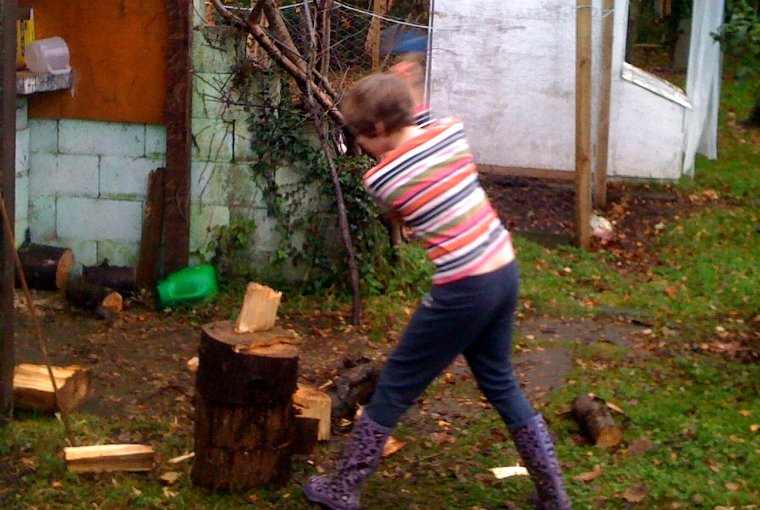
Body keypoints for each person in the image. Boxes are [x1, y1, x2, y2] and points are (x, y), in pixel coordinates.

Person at [303, 72, 571, 510]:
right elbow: (423, 125)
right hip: (503, 269)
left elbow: (399, 206)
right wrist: (408, 95)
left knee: (395, 386)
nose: (358, 145)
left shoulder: (381, 180)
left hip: (463, 288)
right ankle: (554, 495)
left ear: (378, 130)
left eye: (359, 135)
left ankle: (343, 488)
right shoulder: (451, 134)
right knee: (500, 381)